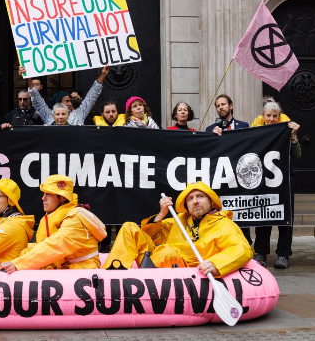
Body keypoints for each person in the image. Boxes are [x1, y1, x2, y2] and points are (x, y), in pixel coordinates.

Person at [103, 181, 254, 276]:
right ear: (186, 205)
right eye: (190, 199)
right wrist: (161, 214)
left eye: (200, 197)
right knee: (129, 226)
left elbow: (242, 249)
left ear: (211, 201)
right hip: (155, 263)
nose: (195, 202)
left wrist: (215, 264)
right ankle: (111, 276)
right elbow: (152, 235)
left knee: (167, 252)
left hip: (187, 270)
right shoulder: (180, 220)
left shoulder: (223, 224)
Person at [0, 175, 107, 273]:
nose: (43, 198)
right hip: (67, 268)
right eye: (44, 193)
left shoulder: (75, 218)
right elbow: (41, 245)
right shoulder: (52, 216)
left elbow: (56, 245)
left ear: (63, 198)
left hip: (83, 270)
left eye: (49, 194)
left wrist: (18, 264)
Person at [250, 97, 301, 269]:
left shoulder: (286, 130)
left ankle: (283, 254)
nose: (271, 119)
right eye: (268, 115)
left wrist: (293, 136)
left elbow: (298, 155)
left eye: (274, 116)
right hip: (264, 181)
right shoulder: (256, 132)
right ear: (262, 116)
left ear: (279, 117)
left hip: (285, 180)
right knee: (263, 215)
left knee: (285, 217)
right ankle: (260, 253)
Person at [204, 94, 251, 243]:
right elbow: (207, 153)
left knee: (242, 213)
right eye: (218, 106)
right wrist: (212, 138)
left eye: (223, 104)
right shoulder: (210, 129)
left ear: (231, 106)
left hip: (239, 177)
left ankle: (246, 244)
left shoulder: (244, 126)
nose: (220, 107)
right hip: (221, 178)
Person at [25, 65, 109, 125]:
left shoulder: (77, 116)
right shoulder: (49, 119)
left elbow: (91, 97)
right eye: (57, 114)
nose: (60, 117)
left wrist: (103, 75)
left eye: (63, 114)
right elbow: (37, 99)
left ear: (68, 115)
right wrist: (27, 76)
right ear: (53, 115)